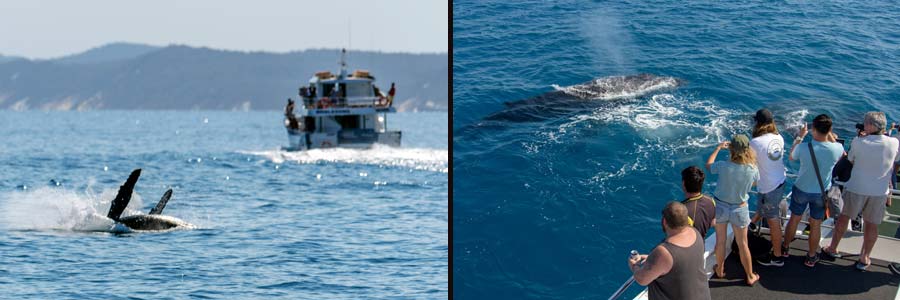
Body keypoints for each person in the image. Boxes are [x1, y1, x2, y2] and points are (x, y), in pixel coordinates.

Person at [823, 112, 900, 271]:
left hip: (857, 188)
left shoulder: (859, 142)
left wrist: (863, 139)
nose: (864, 125)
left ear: (871, 126)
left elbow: (850, 159)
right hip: (879, 192)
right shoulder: (894, 142)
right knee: (872, 225)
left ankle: (833, 248)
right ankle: (864, 257)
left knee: (844, 219)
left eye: (866, 123)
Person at [783, 114, 843, 267]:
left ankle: (785, 248)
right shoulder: (836, 148)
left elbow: (791, 157)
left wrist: (800, 137)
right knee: (815, 224)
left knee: (794, 219)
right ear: (830, 130)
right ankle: (810, 256)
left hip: (801, 189)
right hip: (821, 193)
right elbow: (841, 152)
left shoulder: (804, 147)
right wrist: (830, 134)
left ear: (813, 129)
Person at [706, 134, 760, 286]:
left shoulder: (723, 165)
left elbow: (709, 165)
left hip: (721, 206)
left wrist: (717, 148)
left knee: (720, 241)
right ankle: (750, 276)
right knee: (743, 244)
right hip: (740, 208)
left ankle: (720, 270)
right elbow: (755, 183)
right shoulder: (752, 169)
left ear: (731, 149)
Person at [628, 202, 711, 300]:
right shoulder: (695, 233)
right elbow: (680, 262)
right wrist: (653, 260)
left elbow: (642, 279)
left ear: (664, 221)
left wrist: (634, 266)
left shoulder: (664, 251)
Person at [748, 109, 787, 265]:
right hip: (779, 182)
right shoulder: (779, 137)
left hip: (768, 186)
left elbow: (748, 163)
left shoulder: (755, 142)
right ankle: (752, 223)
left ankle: (777, 257)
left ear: (758, 123)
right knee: (767, 208)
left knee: (773, 222)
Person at [680, 166, 716, 238]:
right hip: (701, 243)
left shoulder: (681, 210)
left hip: (689, 247)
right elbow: (713, 222)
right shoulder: (711, 201)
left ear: (683, 184)